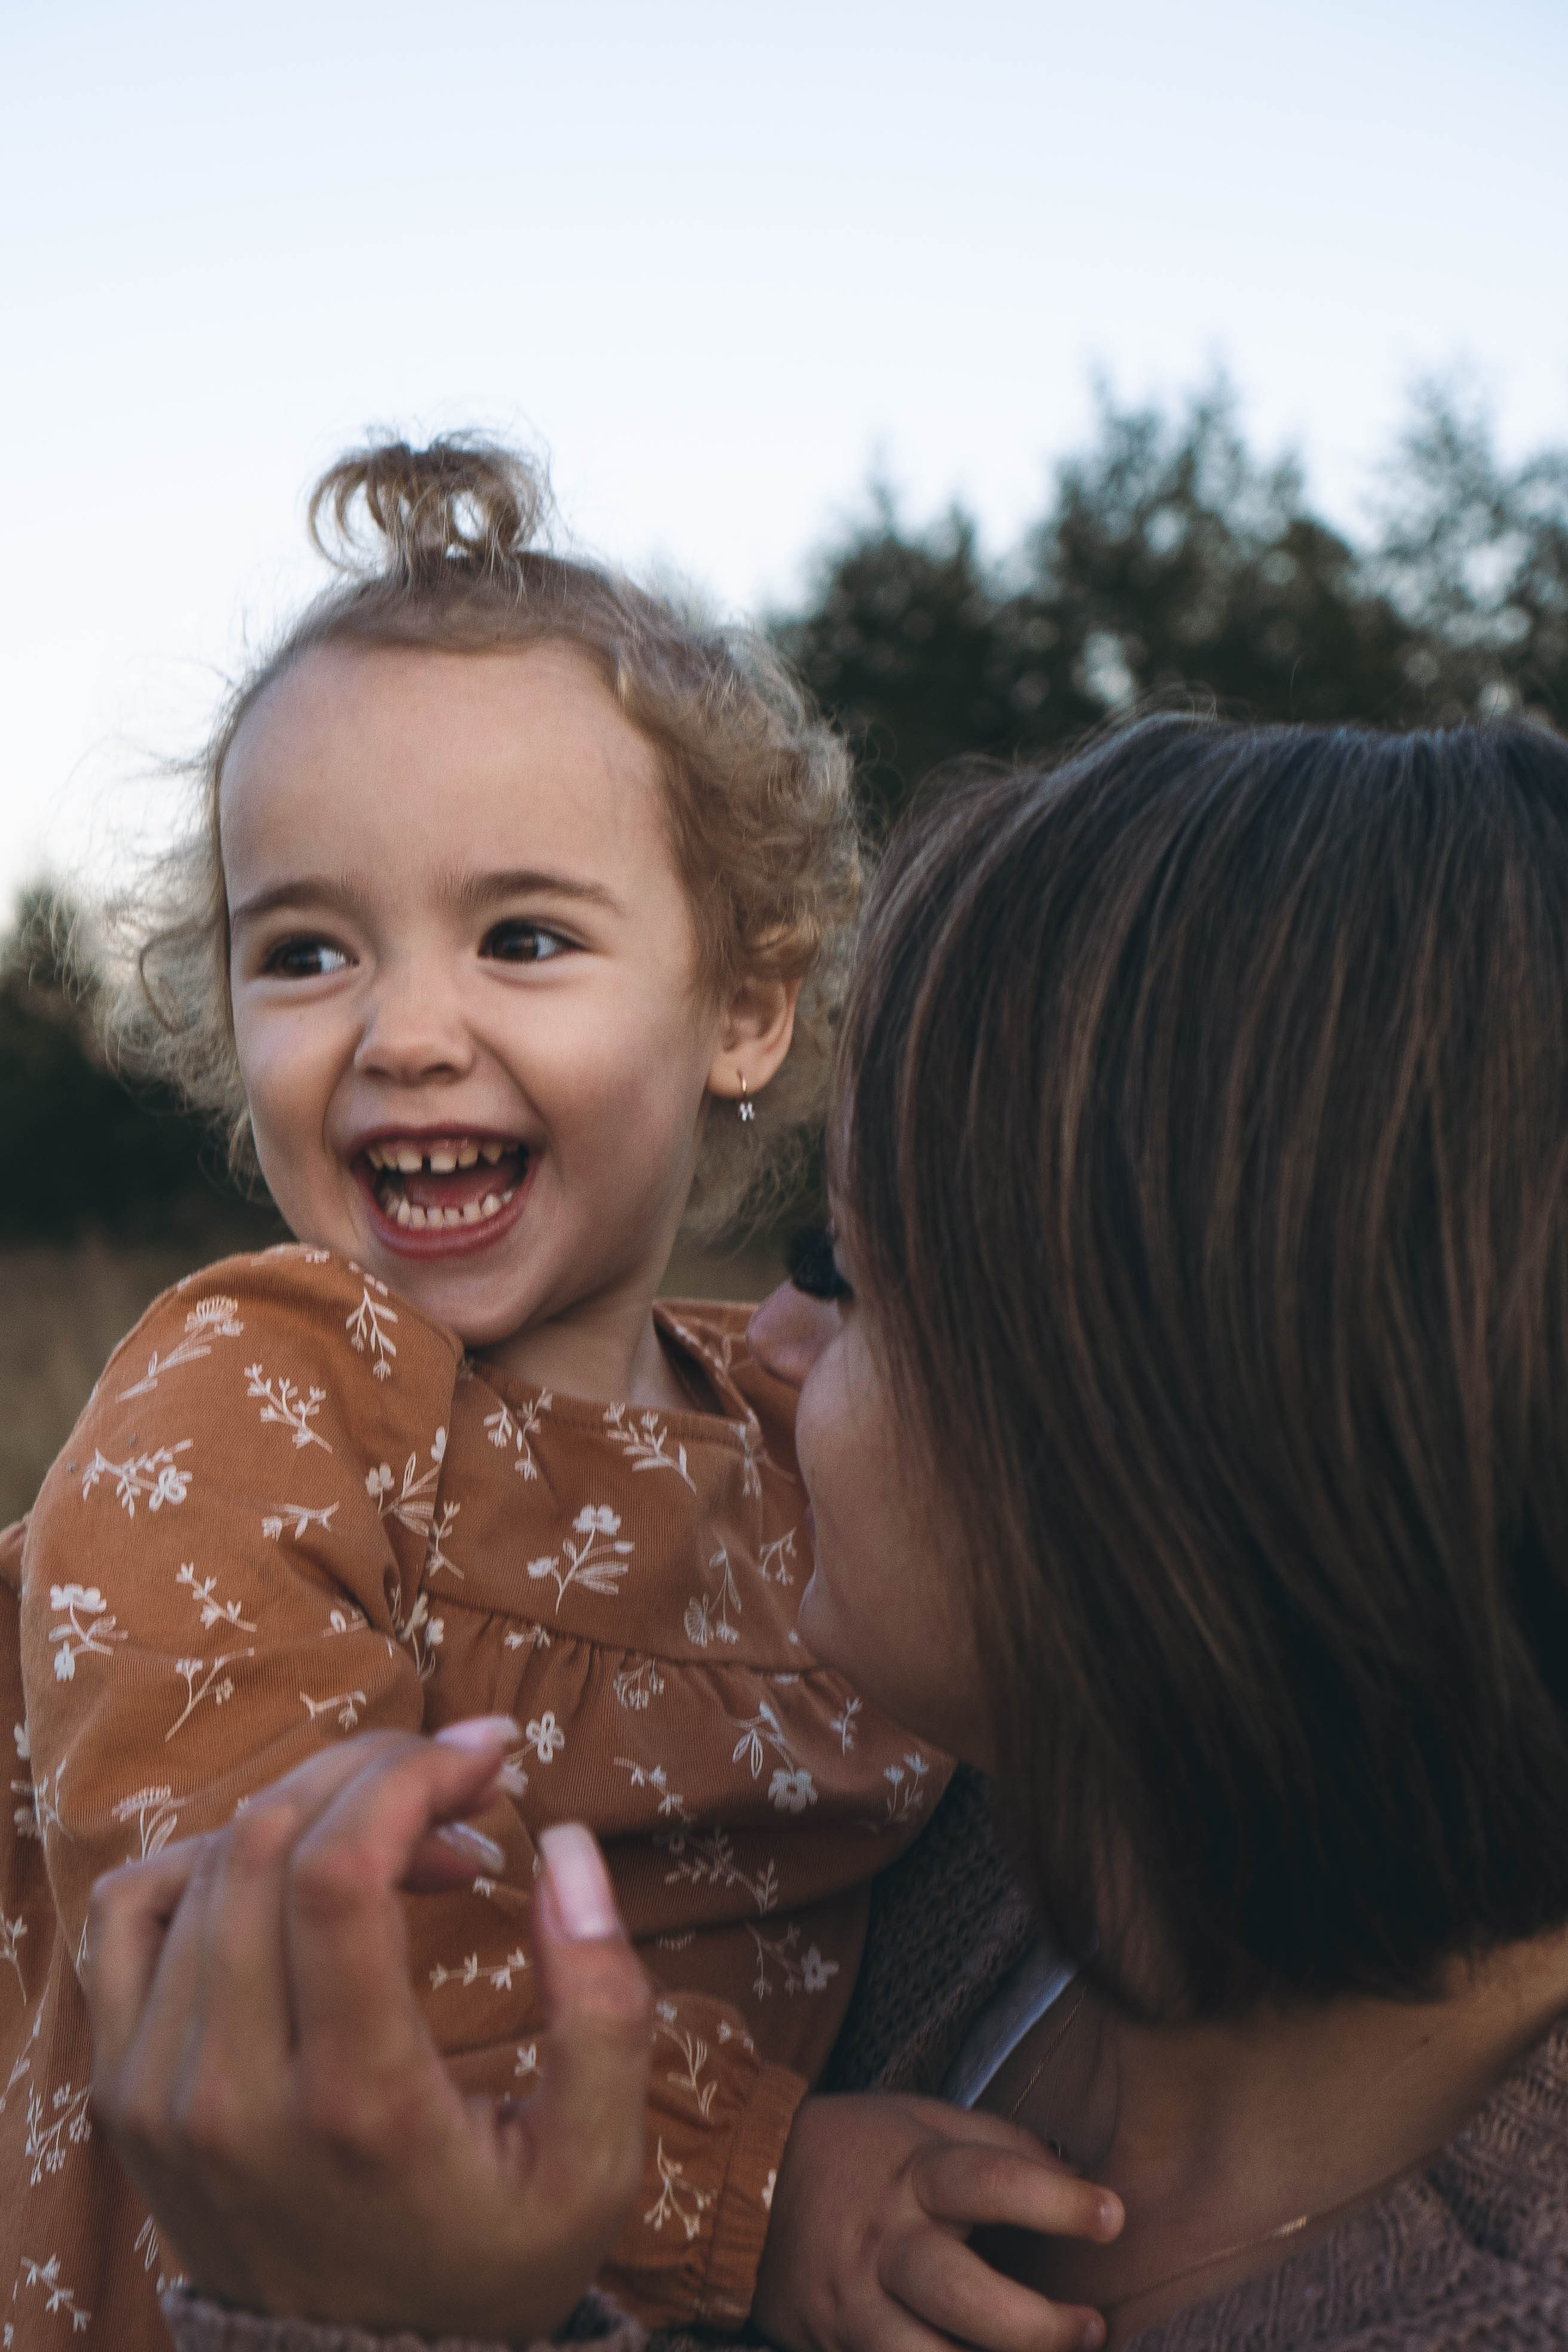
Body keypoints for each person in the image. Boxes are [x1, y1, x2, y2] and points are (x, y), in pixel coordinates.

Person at [75, 710, 1568, 2351]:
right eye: (301, 950)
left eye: (848, 1274)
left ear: (1161, 1412)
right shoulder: (992, 1846)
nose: (766, 1346)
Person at [1, 435, 1082, 2352]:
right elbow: (272, 1947)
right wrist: (766, 2186)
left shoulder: (797, 1437)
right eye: (308, 951)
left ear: (744, 1005)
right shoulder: (248, 1406)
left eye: (523, 938)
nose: (404, 1034)